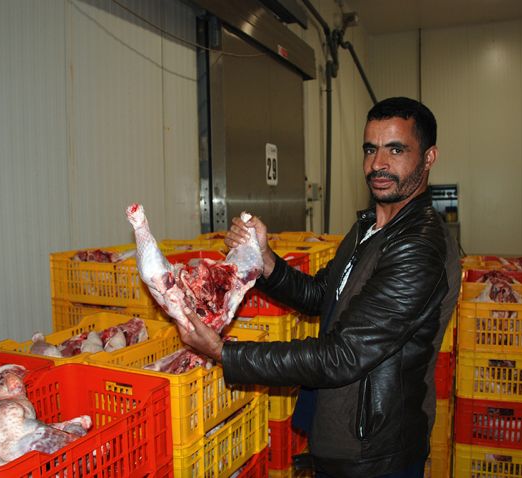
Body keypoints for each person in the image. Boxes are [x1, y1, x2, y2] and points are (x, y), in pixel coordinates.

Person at [178, 97, 461, 478]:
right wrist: (265, 261)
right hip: (339, 426)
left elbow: (343, 354)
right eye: (370, 149)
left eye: (396, 150)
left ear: (428, 157)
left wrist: (225, 353)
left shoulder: (418, 247)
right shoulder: (370, 228)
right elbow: (319, 296)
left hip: (375, 450)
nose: (378, 163)